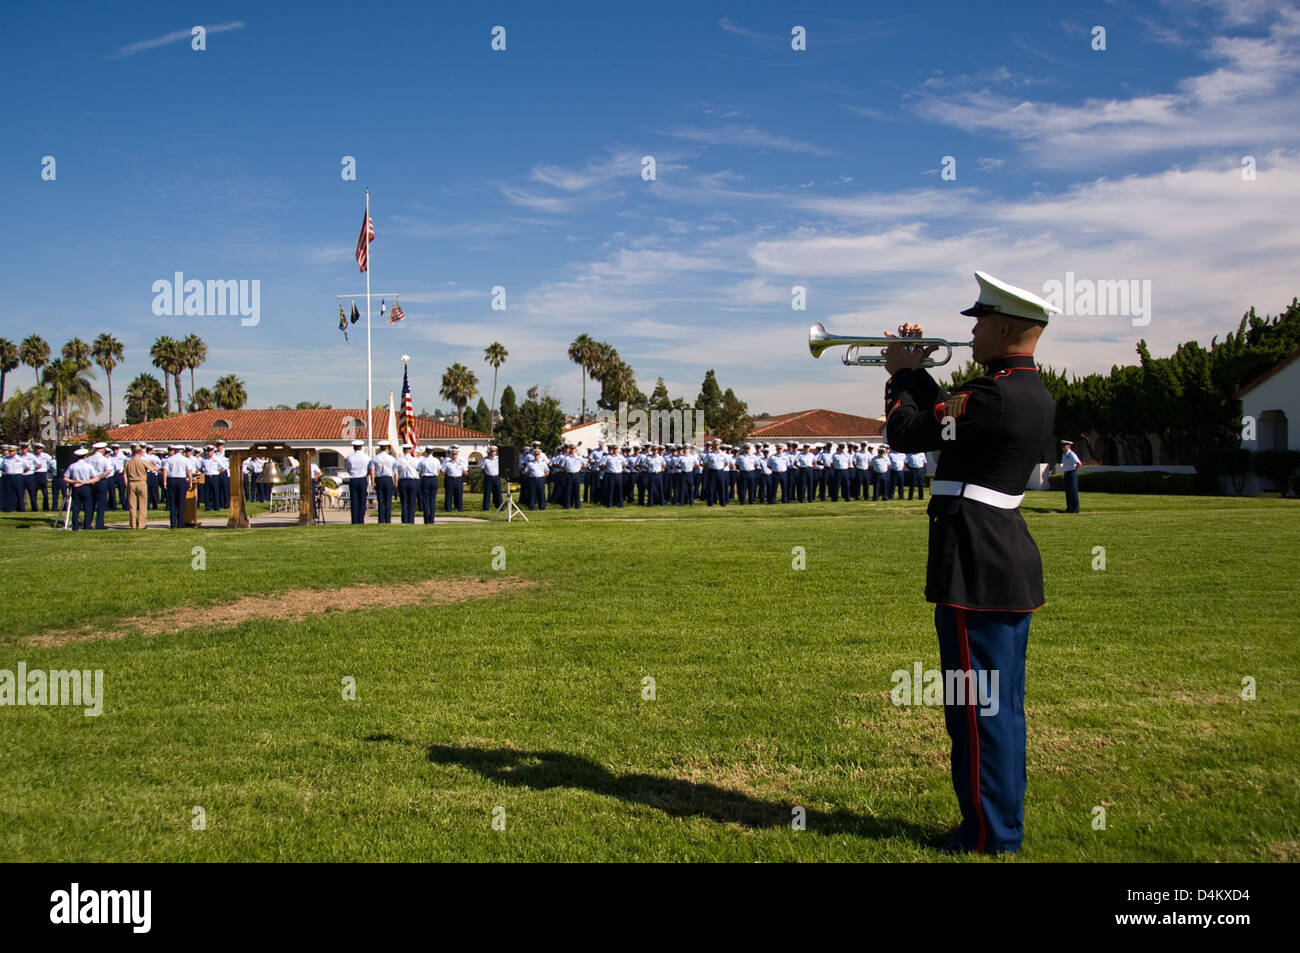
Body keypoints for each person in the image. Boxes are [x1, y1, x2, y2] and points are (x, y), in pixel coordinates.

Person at [881, 270, 1057, 855]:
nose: (972, 330)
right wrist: (916, 372)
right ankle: (1000, 824)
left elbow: (907, 433)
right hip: (1001, 557)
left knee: (977, 713)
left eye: (980, 321)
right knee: (999, 708)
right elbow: (949, 424)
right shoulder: (1020, 391)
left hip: (975, 563)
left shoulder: (991, 394)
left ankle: (988, 834)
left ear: (1005, 327)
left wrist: (900, 375)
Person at [124, 444, 157, 530]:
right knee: (142, 505)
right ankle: (141, 524)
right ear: (140, 452)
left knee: (132, 506)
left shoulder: (128, 462)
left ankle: (133, 524)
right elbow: (153, 469)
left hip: (131, 483)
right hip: (141, 483)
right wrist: (156, 466)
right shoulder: (143, 461)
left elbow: (125, 474)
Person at [64, 448, 97, 530]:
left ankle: (75, 526)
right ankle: (87, 525)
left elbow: (65, 478)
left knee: (76, 507)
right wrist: (85, 482)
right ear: (85, 456)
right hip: (86, 486)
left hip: (76, 487)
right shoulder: (88, 466)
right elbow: (95, 478)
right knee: (88, 507)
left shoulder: (72, 466)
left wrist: (74, 481)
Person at [161, 445, 192, 529]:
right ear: (182, 451)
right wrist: (190, 482)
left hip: (172, 480)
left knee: (172, 502)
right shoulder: (186, 460)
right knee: (181, 502)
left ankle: (172, 523)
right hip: (181, 480)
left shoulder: (169, 459)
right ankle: (180, 523)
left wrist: (164, 481)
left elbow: (164, 470)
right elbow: (189, 471)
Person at [344, 439, 371, 525]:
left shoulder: (349, 457)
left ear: (353, 447)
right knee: (362, 500)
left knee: (354, 500)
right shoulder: (366, 457)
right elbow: (369, 469)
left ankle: (354, 520)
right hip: (363, 479)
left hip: (353, 479)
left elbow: (348, 469)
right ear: (361, 447)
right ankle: (361, 519)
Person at [396, 444, 421, 524]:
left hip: (403, 481)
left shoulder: (398, 460)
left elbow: (395, 472)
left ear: (403, 450)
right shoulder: (415, 460)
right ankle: (411, 520)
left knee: (404, 502)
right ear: (411, 450)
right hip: (413, 481)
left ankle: (404, 520)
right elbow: (419, 470)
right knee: (412, 502)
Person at [417, 447, 441, 523]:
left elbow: (419, 472)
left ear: (426, 452)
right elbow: (438, 472)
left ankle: (426, 519)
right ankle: (432, 519)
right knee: (432, 500)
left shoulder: (422, 461)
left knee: (425, 500)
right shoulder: (436, 460)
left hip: (425, 479)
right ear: (432, 452)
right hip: (433, 479)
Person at [1060, 439, 1081, 513]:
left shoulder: (1071, 454)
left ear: (1068, 446)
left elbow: (1078, 463)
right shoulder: (1064, 455)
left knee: (1073, 491)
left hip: (1072, 473)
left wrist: (1074, 470)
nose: (1062, 448)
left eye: (1064, 446)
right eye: (1062, 446)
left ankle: (1076, 509)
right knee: (1068, 491)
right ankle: (1069, 508)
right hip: (1067, 473)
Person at [443, 446, 466, 511]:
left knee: (459, 495)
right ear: (451, 455)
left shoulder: (461, 463)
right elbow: (444, 471)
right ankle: (448, 508)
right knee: (448, 495)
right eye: (453, 454)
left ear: (457, 455)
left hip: (458, 479)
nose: (454, 456)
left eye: (455, 454)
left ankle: (460, 508)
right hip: (450, 479)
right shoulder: (447, 463)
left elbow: (465, 472)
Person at [480, 446, 502, 512]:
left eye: (494, 452)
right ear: (489, 452)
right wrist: (486, 474)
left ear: (496, 452)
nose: (493, 453)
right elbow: (482, 468)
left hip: (496, 477)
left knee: (498, 493)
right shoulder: (485, 459)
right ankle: (486, 508)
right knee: (487, 493)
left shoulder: (498, 459)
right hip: (488, 477)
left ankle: (500, 507)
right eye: (491, 452)